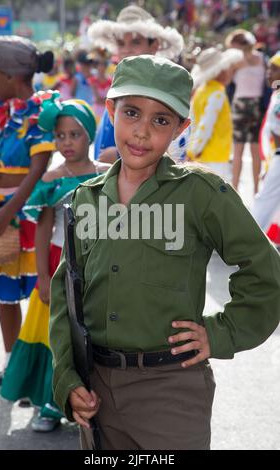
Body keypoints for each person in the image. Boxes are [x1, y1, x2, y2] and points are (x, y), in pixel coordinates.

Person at [50, 55, 280, 450]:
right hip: (97, 390)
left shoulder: (202, 193)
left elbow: (265, 272)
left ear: (181, 127)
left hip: (171, 388)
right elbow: (64, 298)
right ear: (110, 110)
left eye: (160, 120)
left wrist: (220, 333)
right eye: (132, 112)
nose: (141, 132)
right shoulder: (85, 200)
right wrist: (67, 380)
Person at [0, 94, 110, 432]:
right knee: (56, 335)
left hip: (98, 268)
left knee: (93, 335)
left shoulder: (107, 175)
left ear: (89, 135)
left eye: (74, 134)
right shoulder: (51, 179)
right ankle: (50, 405)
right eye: (60, 136)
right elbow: (44, 231)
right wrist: (44, 277)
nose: (66, 142)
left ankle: (95, 405)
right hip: (58, 265)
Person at [0, 27, 56, 394]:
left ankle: (41, 371)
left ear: (11, 76)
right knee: (4, 295)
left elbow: (39, 168)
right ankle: (12, 365)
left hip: (30, 216)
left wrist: (9, 209)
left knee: (42, 295)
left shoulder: (40, 114)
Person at [87, 4, 184, 163]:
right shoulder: (118, 84)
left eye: (135, 42)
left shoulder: (164, 89)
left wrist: (119, 155)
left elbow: (174, 145)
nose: (126, 50)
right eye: (121, 43)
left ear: (154, 46)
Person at [187, 47, 243, 179]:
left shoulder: (202, 90)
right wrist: (194, 151)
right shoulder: (217, 93)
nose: (230, 72)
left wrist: (191, 150)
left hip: (202, 154)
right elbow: (206, 125)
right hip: (214, 156)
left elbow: (193, 121)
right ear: (219, 71)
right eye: (228, 68)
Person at [225, 29, 266, 193]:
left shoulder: (236, 61)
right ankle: (256, 189)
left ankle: (235, 190)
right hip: (257, 106)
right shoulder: (262, 58)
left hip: (240, 106)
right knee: (256, 150)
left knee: (238, 150)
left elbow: (226, 82)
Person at [252, 52, 280, 240]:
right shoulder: (276, 94)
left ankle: (246, 239)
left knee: (264, 199)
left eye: (274, 69)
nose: (268, 73)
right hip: (276, 156)